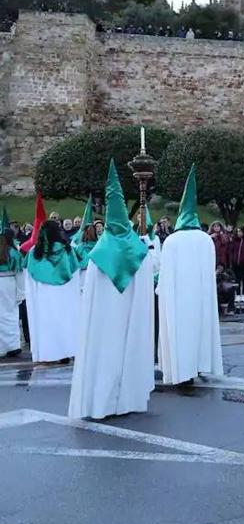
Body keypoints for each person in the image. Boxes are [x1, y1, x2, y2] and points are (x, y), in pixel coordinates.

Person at [69, 160, 155, 419]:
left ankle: (100, 403)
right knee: (127, 353)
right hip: (131, 318)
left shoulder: (98, 254)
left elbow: (90, 293)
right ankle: (129, 399)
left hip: (103, 320)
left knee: (102, 355)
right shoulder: (141, 252)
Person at [157, 165, 225, 386]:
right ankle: (198, 365)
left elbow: (164, 275)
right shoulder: (205, 240)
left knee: (179, 332)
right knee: (199, 330)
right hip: (199, 296)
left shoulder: (171, 241)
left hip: (177, 297)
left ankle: (180, 370)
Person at [24, 219, 82, 363]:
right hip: (64, 290)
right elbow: (75, 272)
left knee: (46, 322)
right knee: (65, 320)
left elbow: (30, 275)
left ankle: (49, 353)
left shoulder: (35, 252)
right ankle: (66, 351)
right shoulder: (67, 249)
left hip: (44, 291)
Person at [1, 228, 23, 356]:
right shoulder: (14, 252)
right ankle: (12, 345)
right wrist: (21, 293)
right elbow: (19, 273)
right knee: (11, 314)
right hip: (9, 283)